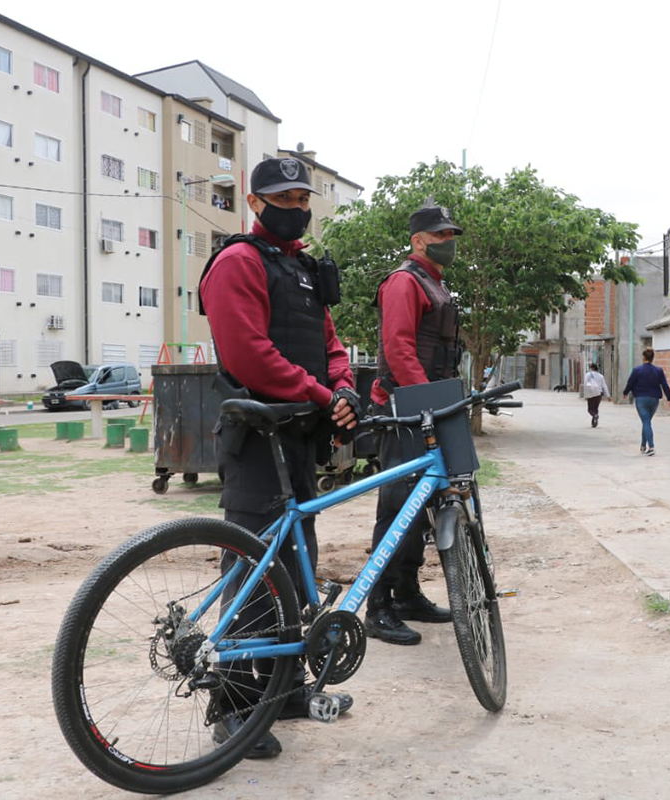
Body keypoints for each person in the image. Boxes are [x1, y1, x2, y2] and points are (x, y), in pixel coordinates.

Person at [198, 156, 361, 759]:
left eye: (301, 198)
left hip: (298, 438)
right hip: (256, 437)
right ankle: (234, 709)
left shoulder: (302, 269)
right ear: (254, 200)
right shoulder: (238, 262)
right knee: (253, 573)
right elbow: (249, 355)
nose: (295, 208)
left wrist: (342, 389)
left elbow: (331, 344)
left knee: (297, 567)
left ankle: (287, 690)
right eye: (282, 198)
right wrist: (323, 393)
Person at [365, 200, 463, 646]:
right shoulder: (405, 282)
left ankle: (407, 594)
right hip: (405, 409)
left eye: (451, 235)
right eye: (440, 235)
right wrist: (426, 403)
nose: (448, 242)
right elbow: (399, 349)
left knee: (424, 507)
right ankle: (378, 605)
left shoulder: (435, 284)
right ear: (418, 240)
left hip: (427, 405)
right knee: (397, 509)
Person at [622, 348, 670, 456]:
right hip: (654, 399)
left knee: (646, 421)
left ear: (643, 357)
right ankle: (643, 446)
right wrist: (669, 398)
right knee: (647, 421)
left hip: (641, 399)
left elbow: (630, 383)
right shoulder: (658, 370)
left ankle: (651, 446)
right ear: (652, 358)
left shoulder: (637, 370)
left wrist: (625, 393)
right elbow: (664, 385)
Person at [581, 362, 611, 427]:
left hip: (591, 394)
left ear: (591, 368)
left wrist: (585, 395)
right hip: (599, 394)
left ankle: (595, 416)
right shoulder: (601, 376)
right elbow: (604, 386)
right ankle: (594, 421)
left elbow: (586, 384)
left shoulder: (588, 375)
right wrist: (608, 396)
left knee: (590, 409)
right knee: (595, 408)